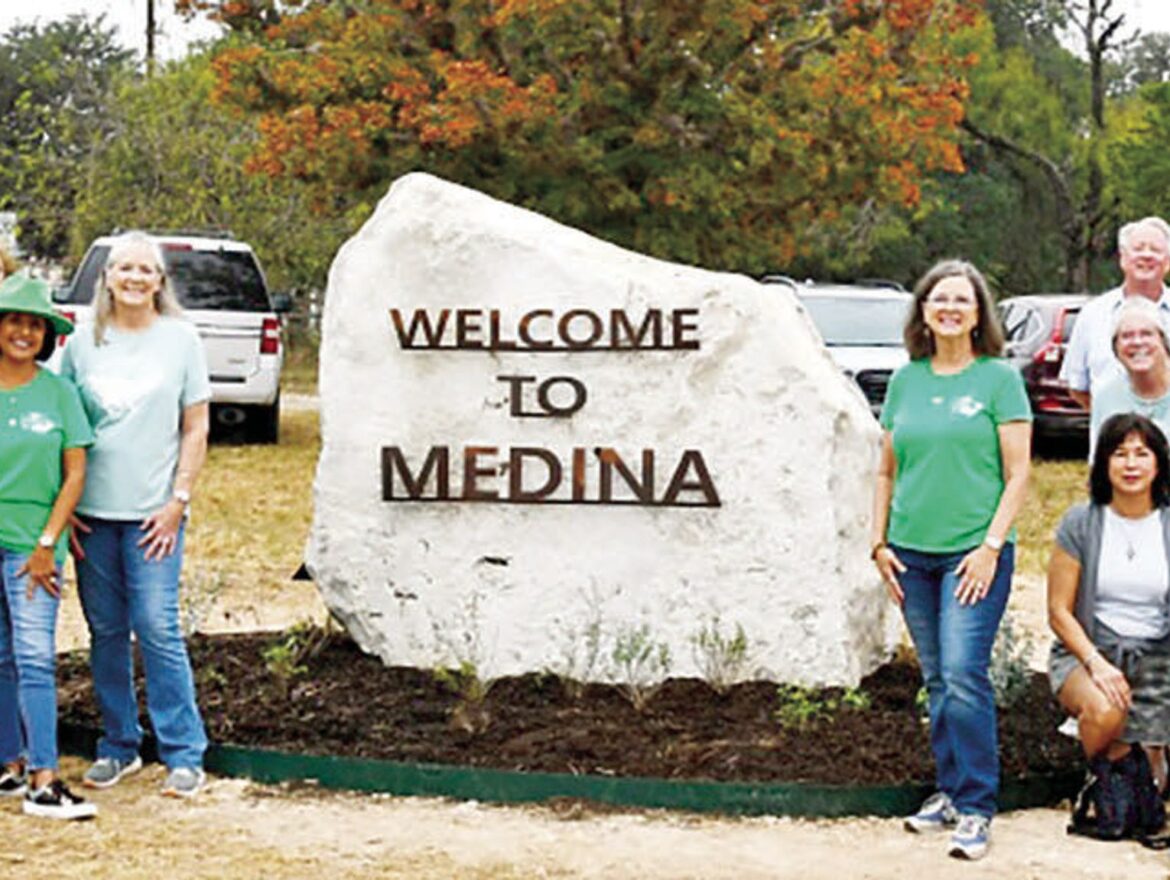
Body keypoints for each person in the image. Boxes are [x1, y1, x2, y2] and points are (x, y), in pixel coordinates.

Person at [871, 259, 1032, 861]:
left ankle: (976, 807)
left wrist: (990, 547)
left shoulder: (998, 380)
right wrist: (877, 543)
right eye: (939, 299)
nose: (950, 308)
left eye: (962, 300)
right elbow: (887, 470)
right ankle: (948, 789)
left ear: (978, 313)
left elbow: (1018, 475)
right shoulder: (906, 381)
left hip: (973, 555)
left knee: (966, 675)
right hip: (911, 555)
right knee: (937, 679)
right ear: (924, 312)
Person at [61, 231, 211, 798]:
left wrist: (179, 500)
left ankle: (183, 751)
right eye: (122, 267)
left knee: (156, 626)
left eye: (144, 269)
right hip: (92, 517)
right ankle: (119, 743)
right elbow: (64, 427)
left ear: (159, 280)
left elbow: (194, 426)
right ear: (106, 277)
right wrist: (64, 503)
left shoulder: (181, 341)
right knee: (104, 631)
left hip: (155, 515)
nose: (133, 277)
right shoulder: (80, 343)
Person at [0, 274, 96, 819]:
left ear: (46, 336)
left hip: (33, 549)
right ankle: (8, 765)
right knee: (0, 659)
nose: (23, 332)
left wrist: (46, 542)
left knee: (35, 659)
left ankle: (44, 777)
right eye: (14, 320)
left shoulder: (59, 392)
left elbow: (75, 475)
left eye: (34, 324)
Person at [1047, 413, 1170, 795]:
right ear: (1103, 463)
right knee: (1105, 710)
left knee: (1153, 785)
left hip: (1158, 653)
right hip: (1089, 652)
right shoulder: (1081, 523)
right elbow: (1058, 612)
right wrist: (1097, 664)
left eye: (1141, 454)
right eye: (1119, 454)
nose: (1131, 464)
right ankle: (1101, 781)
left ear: (1158, 463)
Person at [1062, 217, 1170, 409]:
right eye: (1138, 249)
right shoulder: (1093, 314)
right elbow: (1077, 386)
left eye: (1155, 250)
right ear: (1123, 258)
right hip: (1112, 435)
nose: (1146, 255)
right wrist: (1111, 415)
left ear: (1168, 262)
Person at [1091, 298, 1170, 458]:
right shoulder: (1105, 397)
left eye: (1147, 334)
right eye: (1126, 336)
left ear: (1163, 342)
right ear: (1116, 349)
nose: (1137, 342)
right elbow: (1100, 466)